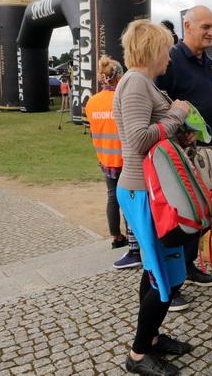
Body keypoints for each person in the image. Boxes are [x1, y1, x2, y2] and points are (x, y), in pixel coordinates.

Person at [113, 20, 194, 376]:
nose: (170, 58)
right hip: (144, 192)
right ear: (152, 50)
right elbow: (138, 140)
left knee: (158, 271)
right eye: (166, 50)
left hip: (152, 190)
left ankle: (152, 337)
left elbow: (153, 136)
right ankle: (137, 355)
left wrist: (179, 135)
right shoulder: (135, 83)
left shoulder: (142, 82)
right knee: (164, 276)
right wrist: (177, 115)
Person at [156, 6, 212, 310]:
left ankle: (188, 266)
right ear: (187, 25)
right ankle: (170, 282)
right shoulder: (171, 60)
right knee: (180, 217)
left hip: (209, 155)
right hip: (183, 155)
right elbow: (158, 106)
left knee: (200, 214)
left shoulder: (210, 64)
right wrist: (177, 135)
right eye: (205, 27)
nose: (211, 32)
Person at [85, 55, 141, 267]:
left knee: (112, 197)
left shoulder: (92, 102)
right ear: (119, 77)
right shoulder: (122, 99)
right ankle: (135, 243)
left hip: (105, 159)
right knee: (129, 200)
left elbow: (93, 132)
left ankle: (116, 236)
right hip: (126, 160)